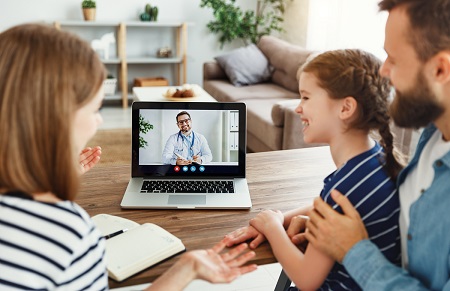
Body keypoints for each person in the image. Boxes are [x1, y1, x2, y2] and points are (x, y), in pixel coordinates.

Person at [0, 23, 256, 290]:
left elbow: (207, 157)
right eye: (94, 109)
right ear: (56, 118)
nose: (99, 121)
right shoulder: (68, 235)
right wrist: (186, 268)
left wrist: (50, 177)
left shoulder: (201, 139)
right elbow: (169, 159)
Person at [224, 49, 405, 290]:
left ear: (345, 108)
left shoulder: (344, 187)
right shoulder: (377, 160)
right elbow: (325, 205)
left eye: (306, 98)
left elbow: (307, 278)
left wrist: (272, 227)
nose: (298, 108)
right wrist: (281, 217)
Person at [302, 0, 450, 290]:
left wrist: (354, 250)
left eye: (393, 59)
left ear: (440, 70)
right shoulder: (433, 135)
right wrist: (322, 221)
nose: (384, 71)